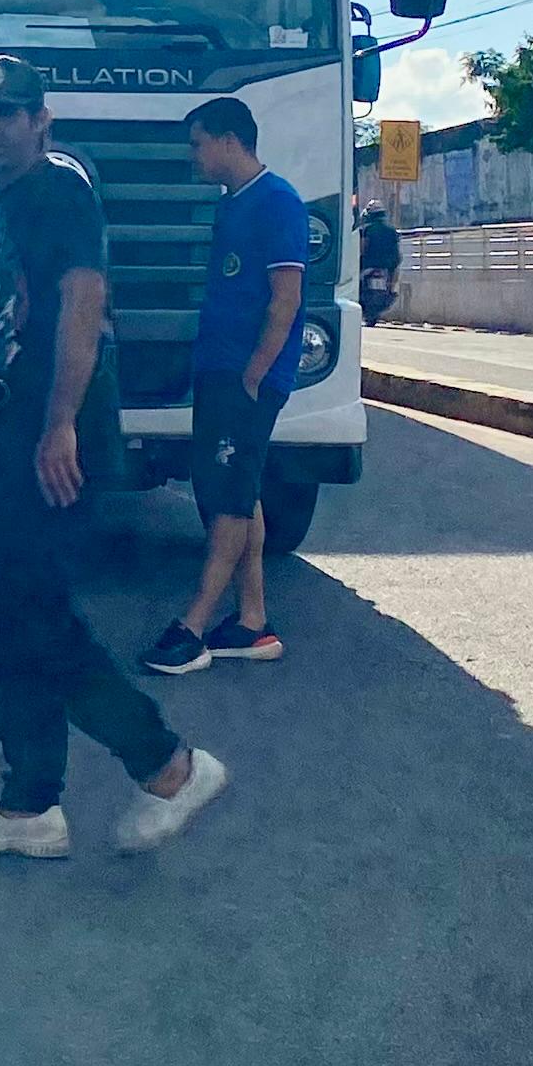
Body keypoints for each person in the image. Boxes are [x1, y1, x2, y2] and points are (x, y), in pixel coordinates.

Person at [0, 55, 226, 858]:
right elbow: (0, 326)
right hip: (11, 432)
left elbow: (82, 303)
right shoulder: (21, 200)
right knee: (1, 618)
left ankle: (168, 764)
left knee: (35, 618)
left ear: (42, 120)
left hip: (50, 439)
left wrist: (61, 421)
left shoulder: (59, 189)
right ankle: (30, 806)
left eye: (5, 116)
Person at [142, 96, 306, 674]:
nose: (193, 157)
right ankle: (252, 622)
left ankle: (193, 626)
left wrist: (257, 372)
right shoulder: (230, 204)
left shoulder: (277, 202)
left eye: (197, 144)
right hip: (219, 371)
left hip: (246, 378)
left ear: (230, 140)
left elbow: (286, 298)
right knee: (237, 490)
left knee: (227, 498)